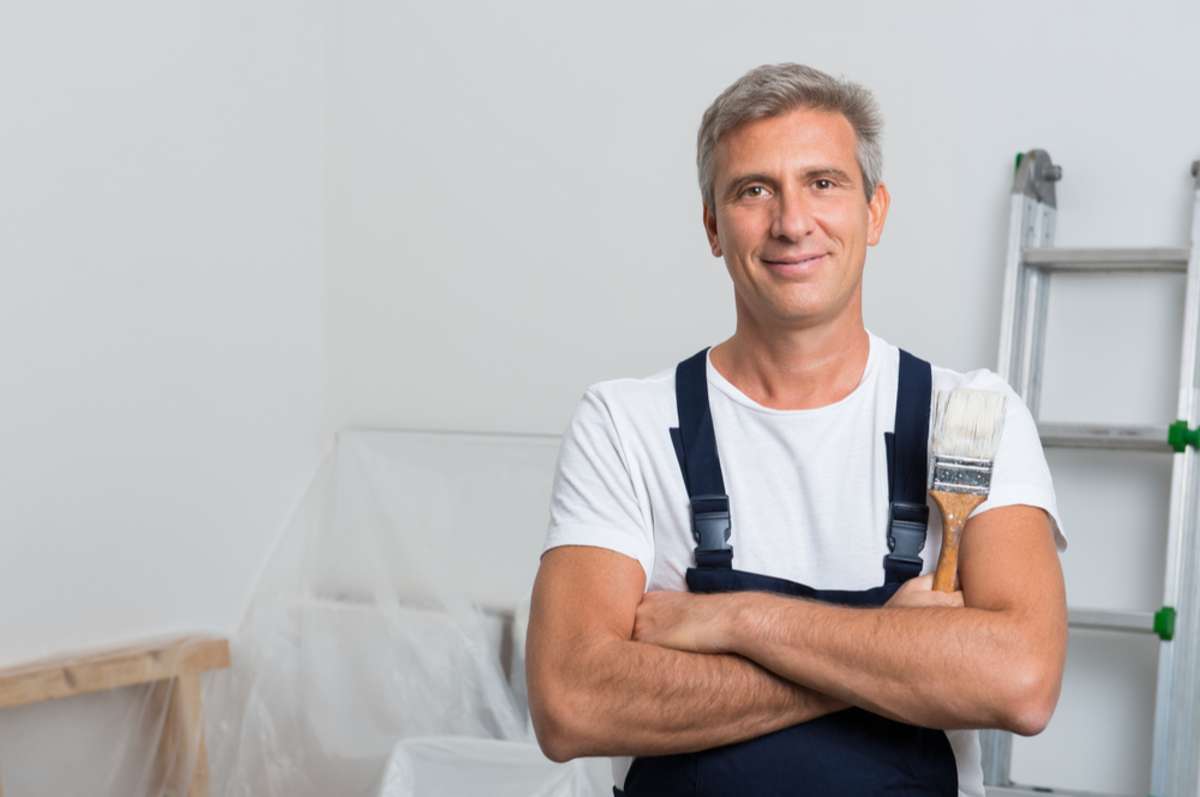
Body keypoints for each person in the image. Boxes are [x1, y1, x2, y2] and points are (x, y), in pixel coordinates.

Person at [525, 62, 1068, 797]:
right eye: (755, 190)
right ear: (714, 227)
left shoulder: (969, 414)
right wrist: (903, 650)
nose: (791, 222)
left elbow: (1021, 680)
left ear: (874, 212)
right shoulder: (626, 424)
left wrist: (737, 620)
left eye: (823, 182)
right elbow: (570, 700)